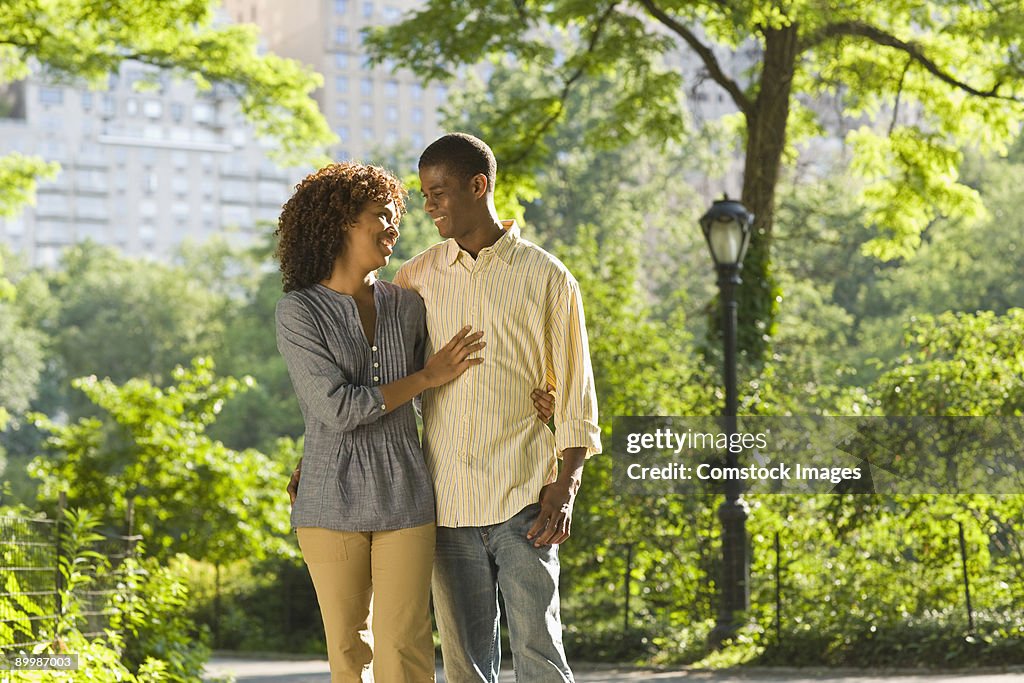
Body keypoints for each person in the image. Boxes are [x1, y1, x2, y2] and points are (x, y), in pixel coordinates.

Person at [275, 162, 554, 682]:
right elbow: (335, 406)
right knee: (348, 649)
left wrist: (541, 399)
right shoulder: (299, 311)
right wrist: (425, 377)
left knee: (406, 647)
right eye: (381, 215)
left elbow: (460, 384)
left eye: (396, 215)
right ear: (339, 224)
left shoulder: (407, 302)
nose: (394, 227)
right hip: (329, 499)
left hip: (407, 493)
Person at [393, 133, 601, 683]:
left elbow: (577, 386)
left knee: (540, 657)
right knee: (465, 669)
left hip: (525, 498)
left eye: (438, 193)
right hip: (447, 502)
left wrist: (567, 483)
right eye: (424, 195)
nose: (429, 205)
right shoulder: (414, 279)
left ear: (477, 185)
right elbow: (386, 385)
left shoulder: (548, 277)